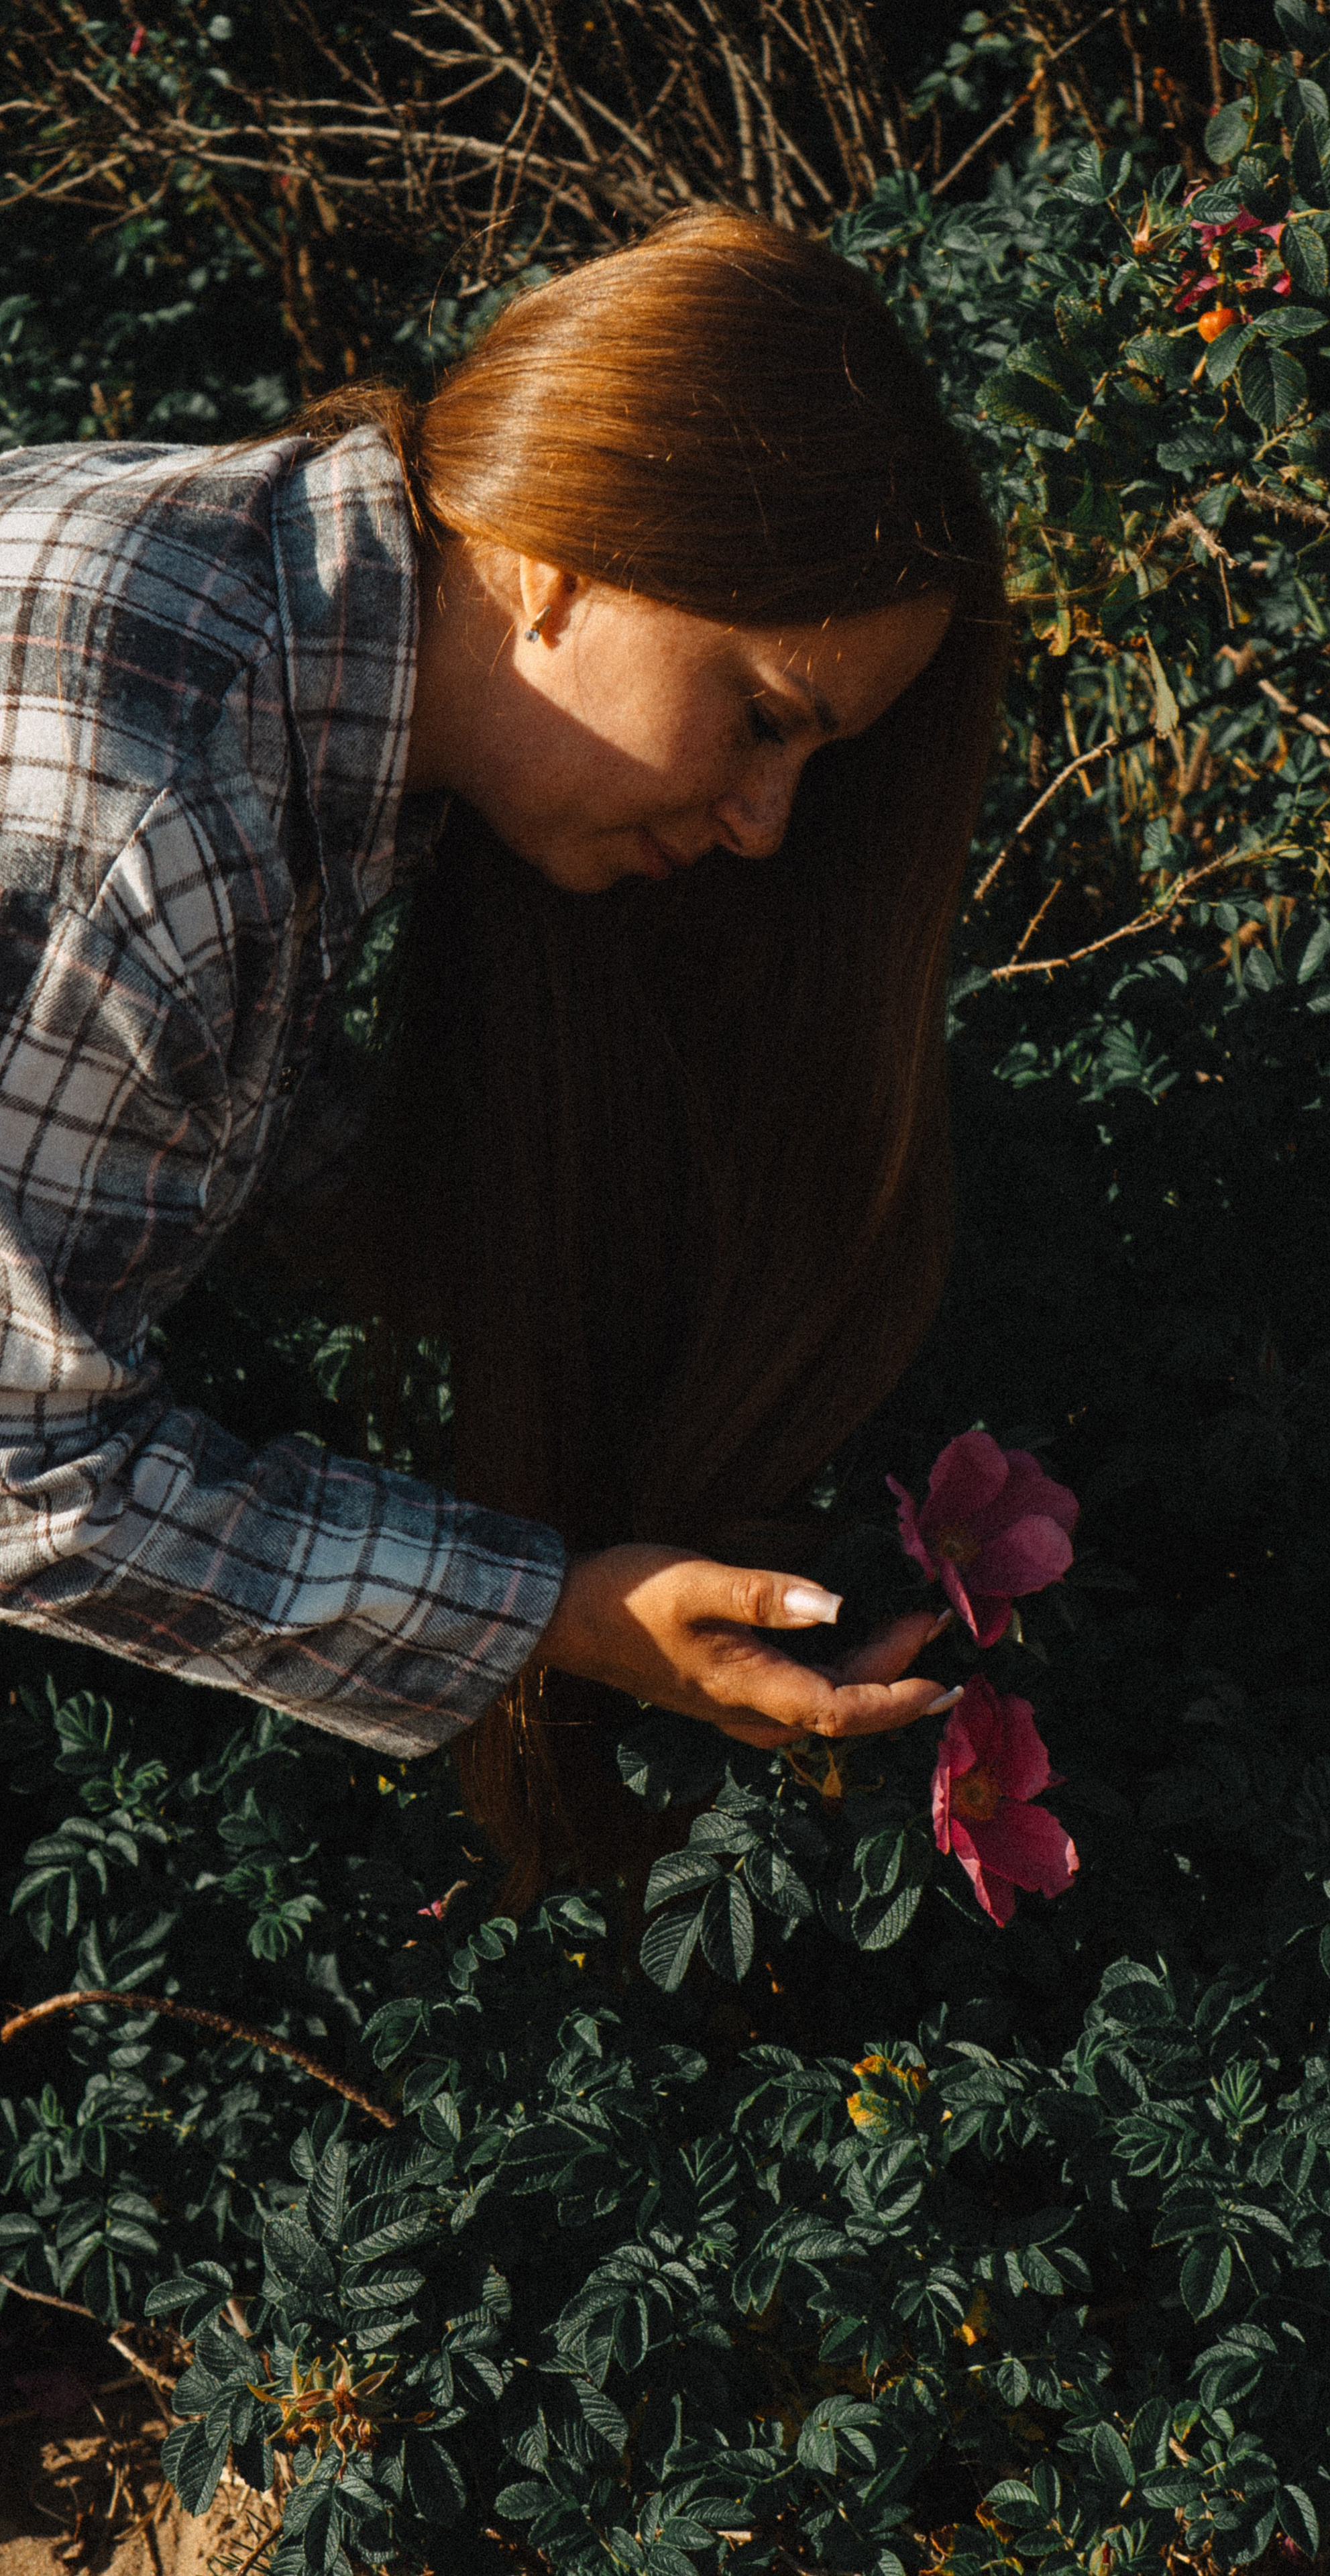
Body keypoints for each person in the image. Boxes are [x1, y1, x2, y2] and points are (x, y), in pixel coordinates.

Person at [0, 210, 1009, 1899]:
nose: (767, 824)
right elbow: (16, 1461)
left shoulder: (257, 601)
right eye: (763, 716)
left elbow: (175, 1106)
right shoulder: (178, 803)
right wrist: (553, 1612)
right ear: (565, 553)